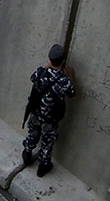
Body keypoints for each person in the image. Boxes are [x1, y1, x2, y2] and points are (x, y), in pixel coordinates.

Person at [21, 44, 75, 178]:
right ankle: (43, 167)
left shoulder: (40, 73)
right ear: (63, 60)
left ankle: (27, 153)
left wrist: (48, 66)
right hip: (50, 119)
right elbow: (72, 93)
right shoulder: (63, 81)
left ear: (50, 60)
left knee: (33, 133)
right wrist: (70, 76)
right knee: (47, 142)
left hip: (36, 113)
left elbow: (32, 77)